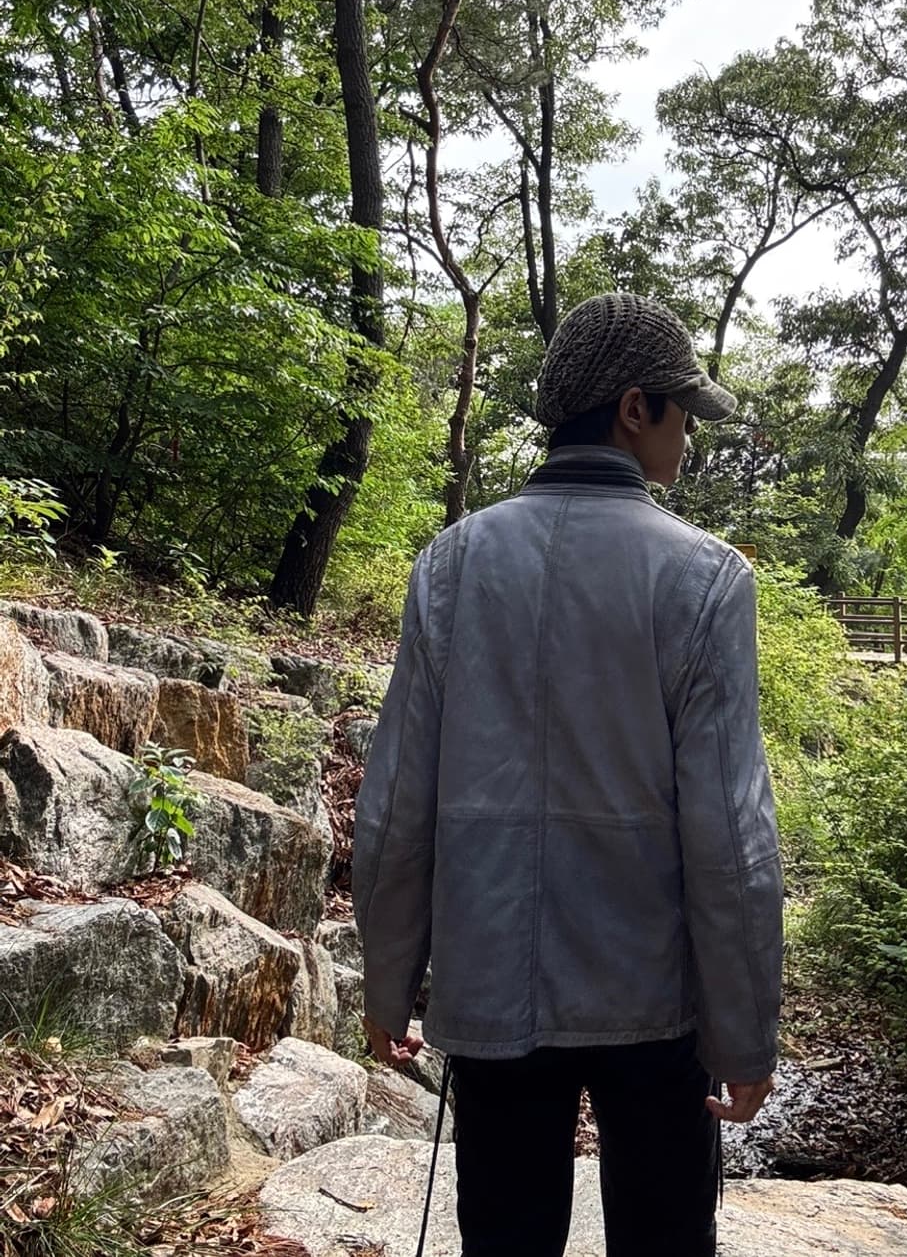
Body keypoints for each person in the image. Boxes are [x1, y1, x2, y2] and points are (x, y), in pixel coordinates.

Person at [352, 292, 784, 1257]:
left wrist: (389, 985)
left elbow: (394, 803)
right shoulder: (705, 577)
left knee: (505, 1239)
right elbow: (732, 836)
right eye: (681, 411)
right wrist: (743, 1033)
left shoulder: (451, 564)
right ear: (634, 409)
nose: (687, 436)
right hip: (654, 1002)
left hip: (489, 990)